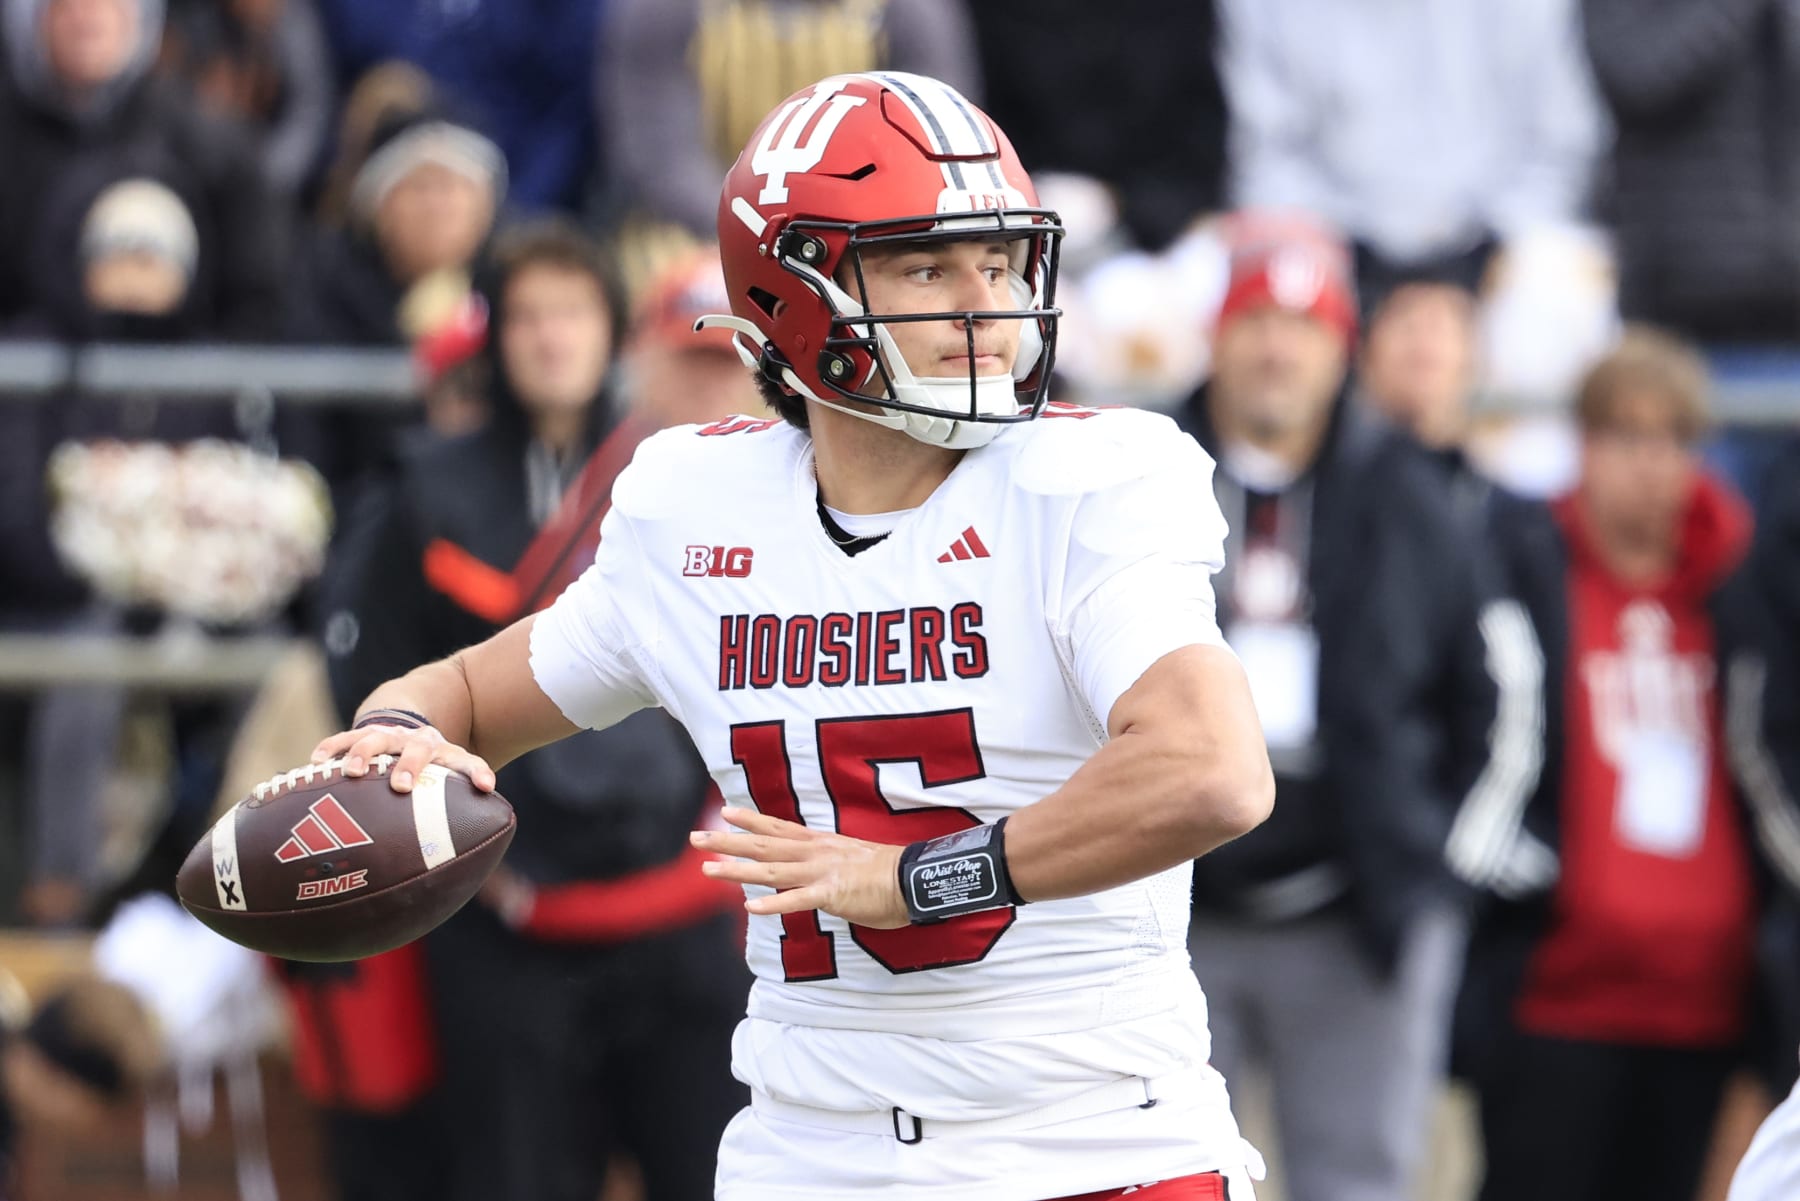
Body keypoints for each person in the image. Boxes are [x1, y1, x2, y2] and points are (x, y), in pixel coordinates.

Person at [313, 71, 1273, 1201]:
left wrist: (915, 877)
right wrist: (402, 729)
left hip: (1092, 1138)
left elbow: (1212, 770)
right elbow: (469, 694)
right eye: (929, 267)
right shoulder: (702, 510)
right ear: (794, 294)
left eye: (1003, 260)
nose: (990, 303)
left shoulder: (1088, 483)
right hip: (818, 1147)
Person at [320, 217, 750, 1201]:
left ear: (612, 331)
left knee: (715, 1173)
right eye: (528, 316)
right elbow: (372, 678)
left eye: (573, 312)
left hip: (676, 899)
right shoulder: (421, 490)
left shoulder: (674, 482)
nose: (552, 337)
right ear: (495, 334)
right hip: (501, 908)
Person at [1175, 217, 1532, 1201]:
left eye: (1304, 327)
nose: (1277, 351)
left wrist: (1440, 875)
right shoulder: (1144, 473)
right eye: (1256, 322)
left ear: (1344, 350)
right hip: (1172, 906)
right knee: (1154, 1176)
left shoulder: (1408, 492)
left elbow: (1497, 687)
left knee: (1360, 1180)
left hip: (1358, 913)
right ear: (1216, 337)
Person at [1461, 329, 1800, 1201]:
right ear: (1584, 445)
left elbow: (1768, 754)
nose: (1652, 464)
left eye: (1673, 439)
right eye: (1628, 436)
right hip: (1555, 995)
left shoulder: (1739, 591)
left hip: (1706, 1005)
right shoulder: (1526, 571)